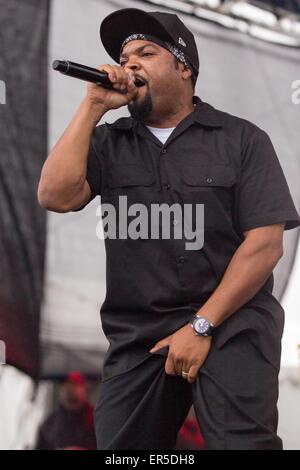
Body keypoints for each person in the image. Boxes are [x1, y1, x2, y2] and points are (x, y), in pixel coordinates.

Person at [37, 7, 300, 450]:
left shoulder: (242, 140)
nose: (129, 64)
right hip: (140, 332)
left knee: (243, 444)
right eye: (124, 58)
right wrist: (93, 106)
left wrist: (201, 326)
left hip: (231, 321)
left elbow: (266, 244)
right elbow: (54, 196)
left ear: (183, 66)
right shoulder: (108, 141)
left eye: (145, 52)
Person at [35, 371, 96, 450]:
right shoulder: (50, 422)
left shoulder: (95, 417)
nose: (69, 388)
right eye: (65, 384)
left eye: (74, 384)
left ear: (84, 387)